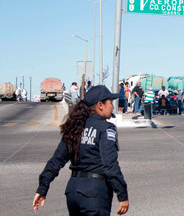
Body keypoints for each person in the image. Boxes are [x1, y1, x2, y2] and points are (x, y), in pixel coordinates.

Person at [32, 85, 129, 215]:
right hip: (94, 194)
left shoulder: (75, 128)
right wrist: (122, 195)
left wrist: (42, 188)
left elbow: (56, 160)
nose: (112, 106)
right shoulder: (106, 128)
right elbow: (110, 165)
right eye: (110, 103)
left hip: (73, 191)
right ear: (100, 105)